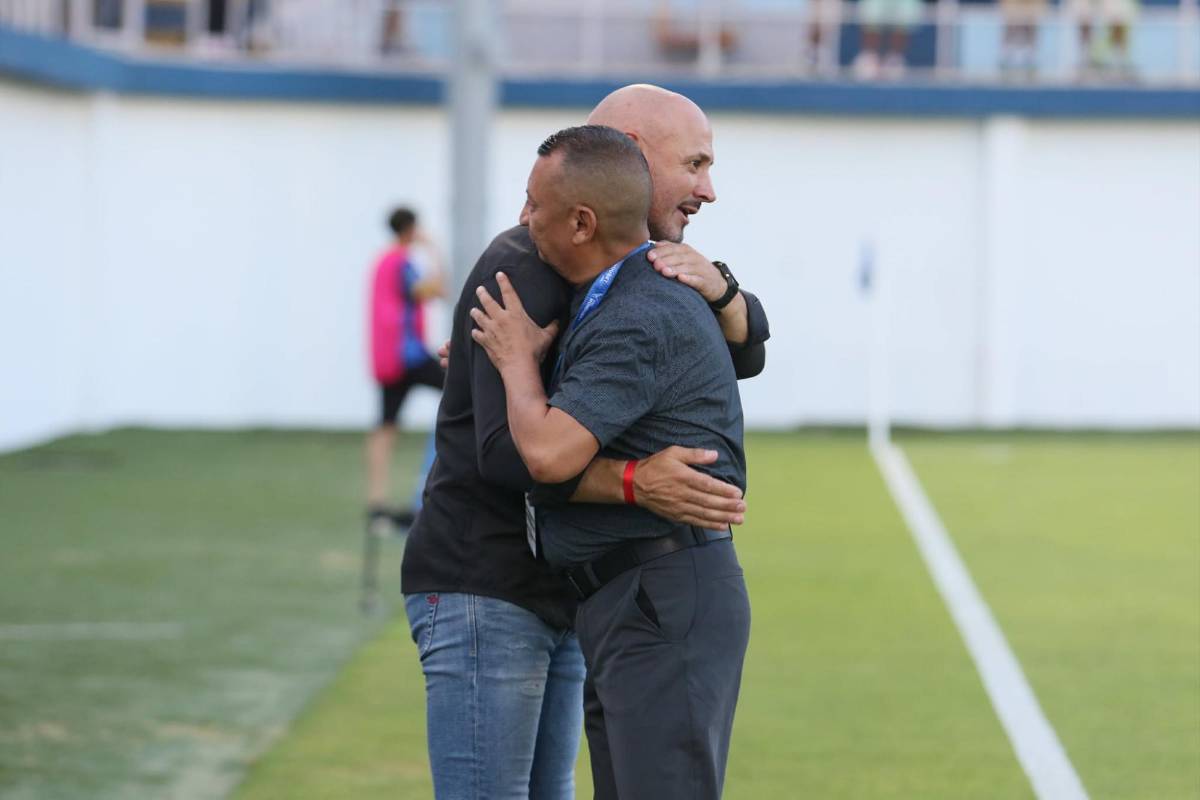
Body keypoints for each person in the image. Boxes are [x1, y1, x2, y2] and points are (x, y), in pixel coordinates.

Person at [400, 84, 769, 799]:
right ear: (627, 155)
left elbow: (742, 352)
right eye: (694, 164)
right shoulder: (528, 261)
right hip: (489, 583)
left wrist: (724, 292)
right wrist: (635, 480)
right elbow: (508, 453)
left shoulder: (637, 269)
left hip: (584, 591)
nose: (708, 189)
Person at [366, 207, 445, 532]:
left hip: (389, 357)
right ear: (411, 229)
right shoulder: (401, 262)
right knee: (461, 390)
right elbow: (436, 290)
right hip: (407, 357)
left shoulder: (383, 261)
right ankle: (430, 489)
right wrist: (434, 250)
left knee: (385, 426)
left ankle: (376, 503)